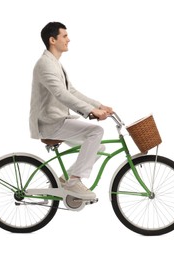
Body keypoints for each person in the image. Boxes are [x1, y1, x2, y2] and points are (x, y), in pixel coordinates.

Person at [29, 22, 113, 200]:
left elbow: (71, 91)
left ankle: (65, 180)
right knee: (96, 132)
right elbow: (61, 94)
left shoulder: (55, 64)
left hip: (59, 120)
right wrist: (91, 111)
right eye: (64, 36)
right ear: (53, 40)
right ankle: (74, 182)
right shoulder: (45, 64)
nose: (69, 39)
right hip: (51, 122)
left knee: (98, 147)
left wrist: (98, 106)